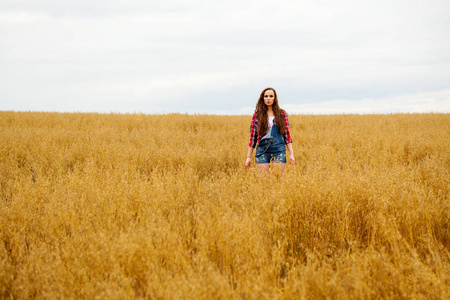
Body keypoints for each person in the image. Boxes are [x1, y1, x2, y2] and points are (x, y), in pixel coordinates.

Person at [245, 87, 295, 173]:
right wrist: (248, 157)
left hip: (279, 150)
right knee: (264, 181)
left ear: (274, 98)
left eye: (271, 96)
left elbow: (287, 135)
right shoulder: (257, 115)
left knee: (279, 180)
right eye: (266, 96)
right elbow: (253, 137)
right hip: (262, 150)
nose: (268, 98)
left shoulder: (282, 114)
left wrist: (291, 154)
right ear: (262, 98)